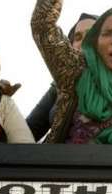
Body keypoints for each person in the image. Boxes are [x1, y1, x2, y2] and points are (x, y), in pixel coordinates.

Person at [31, 0, 112, 144]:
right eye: (107, 33)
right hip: (63, 164)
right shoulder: (76, 71)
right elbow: (43, 26)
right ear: (95, 44)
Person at [26, 13, 98, 141]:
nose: (84, 42)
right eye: (78, 37)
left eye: (92, 35)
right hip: (54, 158)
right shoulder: (61, 84)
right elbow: (29, 132)